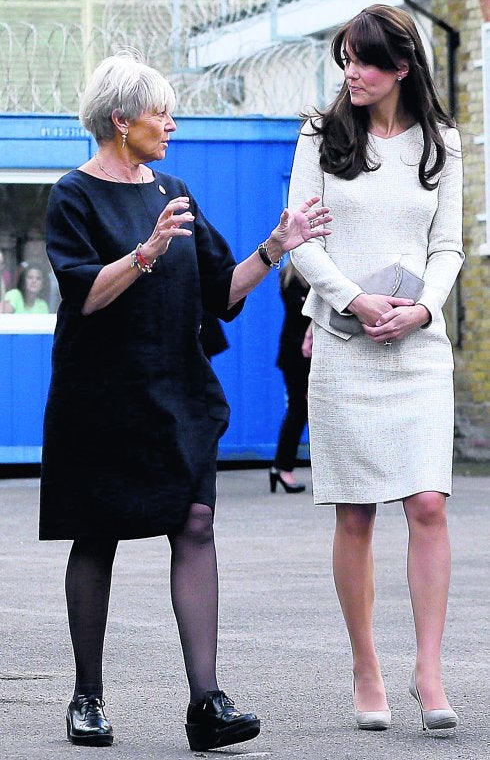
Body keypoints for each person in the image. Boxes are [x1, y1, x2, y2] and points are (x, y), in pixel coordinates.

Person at [39, 51, 332, 752]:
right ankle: (87, 698)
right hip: (99, 396)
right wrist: (144, 252)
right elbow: (85, 293)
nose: (170, 124)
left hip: (177, 389)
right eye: (159, 112)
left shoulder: (173, 189)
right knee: (97, 534)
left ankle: (207, 702)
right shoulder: (72, 195)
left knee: (196, 521)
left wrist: (276, 247)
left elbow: (221, 293)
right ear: (120, 120)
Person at [288, 4, 463, 732]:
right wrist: (357, 300)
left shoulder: (442, 143)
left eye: (363, 60)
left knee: (427, 503)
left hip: (418, 348)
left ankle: (428, 670)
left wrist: (421, 311)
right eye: (346, 60)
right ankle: (367, 666)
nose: (351, 73)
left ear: (401, 67)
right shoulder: (320, 134)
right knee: (356, 511)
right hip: (346, 341)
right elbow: (300, 241)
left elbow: (447, 246)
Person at [270, 260, 312, 493]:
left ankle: (281, 466)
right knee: (299, 410)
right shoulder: (291, 277)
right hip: (296, 353)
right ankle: (282, 466)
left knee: (303, 411)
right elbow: (301, 311)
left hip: (305, 351)